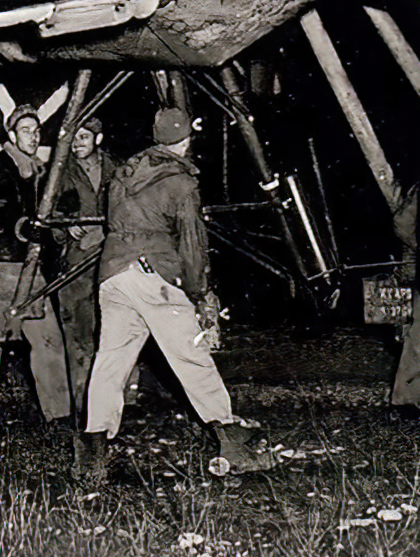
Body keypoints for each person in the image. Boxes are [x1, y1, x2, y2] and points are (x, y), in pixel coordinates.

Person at [78, 107, 274, 483]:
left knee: (111, 361)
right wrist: (200, 293)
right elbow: (192, 244)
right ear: (185, 140)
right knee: (192, 355)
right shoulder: (183, 182)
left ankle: (92, 451)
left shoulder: (124, 172)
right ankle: (232, 437)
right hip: (153, 275)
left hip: (113, 274)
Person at [0, 104, 73, 425]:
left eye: (37, 131)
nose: (33, 137)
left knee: (48, 341)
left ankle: (59, 415)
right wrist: (22, 224)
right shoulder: (1, 169)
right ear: (11, 135)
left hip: (28, 271)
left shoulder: (35, 170)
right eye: (25, 131)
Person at [49, 117, 111, 419]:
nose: (77, 144)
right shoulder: (61, 171)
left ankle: (123, 396)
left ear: (98, 140)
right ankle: (81, 402)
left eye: (84, 137)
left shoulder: (117, 169)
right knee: (78, 330)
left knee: (115, 327)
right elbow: (49, 212)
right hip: (76, 262)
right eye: (74, 138)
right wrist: (65, 226)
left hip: (112, 258)